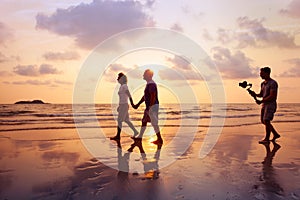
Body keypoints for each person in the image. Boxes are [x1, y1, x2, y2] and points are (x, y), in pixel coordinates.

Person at [249, 67, 281, 143]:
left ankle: (267, 138)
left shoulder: (273, 83)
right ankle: (275, 134)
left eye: (262, 73)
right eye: (260, 73)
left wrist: (262, 100)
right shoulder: (262, 84)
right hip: (264, 105)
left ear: (267, 73)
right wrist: (255, 94)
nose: (260, 75)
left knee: (266, 120)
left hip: (270, 104)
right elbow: (261, 94)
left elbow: (273, 96)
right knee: (263, 121)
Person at [132, 69, 163, 145]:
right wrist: (138, 104)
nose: (143, 75)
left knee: (153, 123)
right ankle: (140, 137)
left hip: (152, 106)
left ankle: (159, 139)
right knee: (144, 121)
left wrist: (150, 108)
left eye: (144, 74)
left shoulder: (151, 84)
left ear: (149, 75)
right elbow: (145, 97)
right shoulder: (149, 84)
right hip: (151, 106)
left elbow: (153, 95)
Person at [110, 72, 139, 140]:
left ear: (121, 79)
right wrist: (120, 106)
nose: (117, 79)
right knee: (126, 120)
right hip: (123, 105)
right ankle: (135, 131)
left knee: (119, 120)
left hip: (124, 105)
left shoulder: (124, 86)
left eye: (118, 78)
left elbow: (129, 95)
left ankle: (118, 136)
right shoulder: (121, 86)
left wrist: (132, 104)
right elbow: (122, 97)